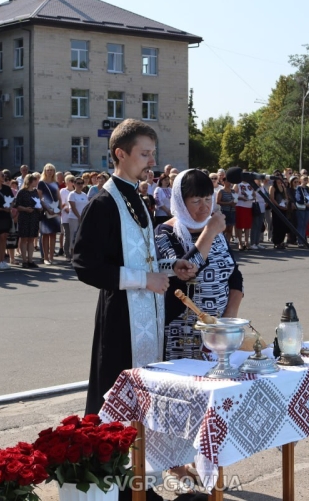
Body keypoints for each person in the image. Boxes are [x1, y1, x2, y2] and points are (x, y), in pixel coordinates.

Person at [72, 119, 195, 418]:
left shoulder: (138, 198)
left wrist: (170, 267)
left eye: (153, 153)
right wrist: (144, 280)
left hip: (149, 314)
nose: (153, 161)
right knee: (116, 403)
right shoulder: (103, 203)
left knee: (146, 398)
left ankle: (145, 461)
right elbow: (85, 266)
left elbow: (143, 261)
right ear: (120, 154)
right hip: (120, 319)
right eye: (145, 154)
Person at [156, 168, 243, 358]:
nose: (204, 207)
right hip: (182, 332)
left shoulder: (214, 227)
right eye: (196, 201)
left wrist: (230, 314)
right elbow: (187, 271)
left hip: (219, 327)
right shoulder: (166, 232)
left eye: (208, 199)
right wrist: (209, 232)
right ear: (180, 201)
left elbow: (234, 274)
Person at [14, 174, 42, 269]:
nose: (36, 182)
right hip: (24, 216)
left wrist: (39, 208)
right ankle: (24, 260)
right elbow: (16, 205)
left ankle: (30, 260)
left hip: (34, 216)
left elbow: (38, 203)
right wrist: (25, 209)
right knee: (24, 238)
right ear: (30, 181)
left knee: (31, 239)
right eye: (35, 180)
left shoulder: (35, 192)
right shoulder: (21, 192)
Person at [38, 164, 61, 265]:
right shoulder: (41, 183)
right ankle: (45, 258)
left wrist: (59, 208)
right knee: (45, 234)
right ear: (44, 171)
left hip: (55, 211)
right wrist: (47, 209)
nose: (50, 172)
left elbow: (58, 197)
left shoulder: (56, 183)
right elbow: (40, 198)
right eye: (48, 170)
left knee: (53, 234)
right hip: (45, 211)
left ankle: (51, 257)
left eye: (51, 170)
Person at [67, 177, 89, 260]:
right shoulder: (72, 194)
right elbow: (73, 207)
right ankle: (72, 255)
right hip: (74, 218)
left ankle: (80, 254)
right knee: (73, 236)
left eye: (81, 183)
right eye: (78, 183)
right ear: (74, 184)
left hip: (83, 218)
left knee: (81, 236)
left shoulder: (84, 194)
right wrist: (79, 217)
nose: (80, 185)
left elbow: (86, 206)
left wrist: (84, 217)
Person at [269, 177, 290, 249]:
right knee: (277, 225)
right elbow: (272, 198)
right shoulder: (272, 187)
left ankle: (281, 241)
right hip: (276, 209)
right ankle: (276, 242)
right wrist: (278, 206)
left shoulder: (283, 187)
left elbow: (286, 197)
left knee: (283, 226)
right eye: (278, 178)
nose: (279, 180)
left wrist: (286, 204)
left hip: (283, 208)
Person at [234, 179, 253, 250]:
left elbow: (254, 194)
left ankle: (246, 242)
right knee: (240, 226)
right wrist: (241, 198)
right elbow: (234, 195)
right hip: (240, 206)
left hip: (249, 206)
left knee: (247, 226)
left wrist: (253, 197)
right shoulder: (238, 184)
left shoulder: (250, 184)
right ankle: (240, 243)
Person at [216, 178, 236, 244]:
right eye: (227, 182)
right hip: (225, 211)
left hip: (232, 211)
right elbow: (218, 201)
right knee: (224, 228)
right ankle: (222, 243)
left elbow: (236, 200)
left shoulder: (233, 191)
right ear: (223, 182)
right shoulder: (221, 191)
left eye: (230, 182)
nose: (229, 183)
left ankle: (228, 243)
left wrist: (234, 203)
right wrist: (228, 203)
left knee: (230, 228)